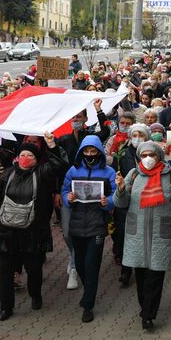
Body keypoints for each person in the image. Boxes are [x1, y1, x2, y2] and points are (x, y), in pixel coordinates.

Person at [0, 132, 67, 321]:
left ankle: (35, 294)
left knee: (34, 269)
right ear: (17, 158)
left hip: (32, 233)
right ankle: (6, 307)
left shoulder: (43, 173)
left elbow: (59, 166)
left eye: (31, 156)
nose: (26, 159)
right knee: (4, 272)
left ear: (37, 160)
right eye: (23, 155)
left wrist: (52, 145)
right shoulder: (7, 175)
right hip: (7, 232)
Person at [114, 141, 171, 330]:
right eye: (144, 155)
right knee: (141, 276)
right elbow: (120, 203)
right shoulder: (133, 175)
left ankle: (148, 314)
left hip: (160, 233)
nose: (148, 158)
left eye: (152, 155)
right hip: (137, 233)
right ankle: (145, 306)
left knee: (155, 276)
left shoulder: (170, 176)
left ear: (159, 157)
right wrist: (121, 188)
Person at [57, 100, 110, 291]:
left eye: (79, 117)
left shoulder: (90, 136)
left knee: (86, 231)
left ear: (86, 119)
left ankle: (74, 265)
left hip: (91, 196)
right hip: (70, 193)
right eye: (73, 117)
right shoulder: (64, 139)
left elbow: (105, 132)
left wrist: (99, 110)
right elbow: (58, 162)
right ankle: (75, 257)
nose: (75, 120)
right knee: (67, 231)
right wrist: (59, 192)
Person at [62, 135, 116, 323]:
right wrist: (67, 199)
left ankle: (88, 305)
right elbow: (64, 190)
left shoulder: (108, 171)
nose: (90, 154)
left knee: (92, 265)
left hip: (97, 225)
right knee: (81, 264)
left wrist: (107, 202)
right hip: (77, 223)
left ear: (99, 152)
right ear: (81, 152)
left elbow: (115, 194)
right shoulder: (73, 170)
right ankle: (88, 291)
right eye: (87, 151)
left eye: (93, 151)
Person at [110, 123, 151, 286]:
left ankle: (141, 266)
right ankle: (125, 270)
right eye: (135, 135)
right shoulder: (122, 154)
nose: (137, 139)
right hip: (125, 201)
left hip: (145, 201)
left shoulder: (151, 155)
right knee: (123, 235)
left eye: (141, 135)